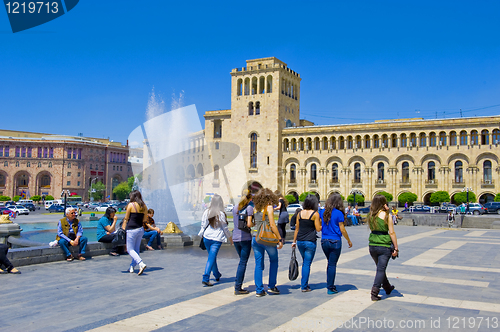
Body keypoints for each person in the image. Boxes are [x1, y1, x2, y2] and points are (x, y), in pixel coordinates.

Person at [252, 188, 283, 297]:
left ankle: (259, 290)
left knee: (258, 264)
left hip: (256, 238)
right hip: (267, 239)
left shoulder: (255, 208)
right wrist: (279, 239)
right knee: (274, 261)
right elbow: (273, 225)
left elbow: (254, 223)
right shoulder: (269, 208)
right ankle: (271, 286)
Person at [367, 195, 398, 301]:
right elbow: (392, 232)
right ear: (384, 204)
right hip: (384, 245)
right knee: (381, 269)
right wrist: (396, 248)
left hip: (372, 245)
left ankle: (387, 287)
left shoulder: (370, 215)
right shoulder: (386, 216)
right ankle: (374, 292)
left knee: (381, 268)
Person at [198, 194, 232, 287]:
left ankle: (216, 274)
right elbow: (225, 228)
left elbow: (203, 225)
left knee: (211, 257)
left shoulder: (206, 212)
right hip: (216, 239)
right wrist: (230, 238)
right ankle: (206, 277)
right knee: (211, 258)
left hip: (207, 238)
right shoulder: (221, 214)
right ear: (220, 203)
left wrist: (201, 235)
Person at [321, 193, 352, 294]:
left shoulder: (322, 212)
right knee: (332, 264)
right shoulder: (339, 213)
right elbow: (342, 229)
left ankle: (329, 283)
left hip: (324, 241)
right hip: (335, 242)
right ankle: (330, 287)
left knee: (329, 263)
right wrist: (348, 240)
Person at [292, 194, 321, 292]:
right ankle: (304, 286)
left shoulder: (299, 213)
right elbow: (318, 229)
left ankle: (305, 284)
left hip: (300, 241)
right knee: (307, 264)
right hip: (310, 242)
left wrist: (294, 241)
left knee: (305, 263)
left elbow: (297, 229)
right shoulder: (315, 214)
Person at [232, 191, 254, 294]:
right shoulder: (249, 208)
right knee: (243, 262)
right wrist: (253, 223)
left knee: (241, 261)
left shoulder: (235, 207)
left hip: (236, 238)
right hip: (245, 238)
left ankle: (238, 284)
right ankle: (238, 287)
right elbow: (249, 224)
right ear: (250, 199)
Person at [122, 190, 148, 275]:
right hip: (140, 229)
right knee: (136, 249)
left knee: (130, 249)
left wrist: (123, 228)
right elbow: (145, 220)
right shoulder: (144, 206)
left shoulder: (131, 205)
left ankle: (141, 263)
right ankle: (132, 267)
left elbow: (126, 218)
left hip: (131, 229)